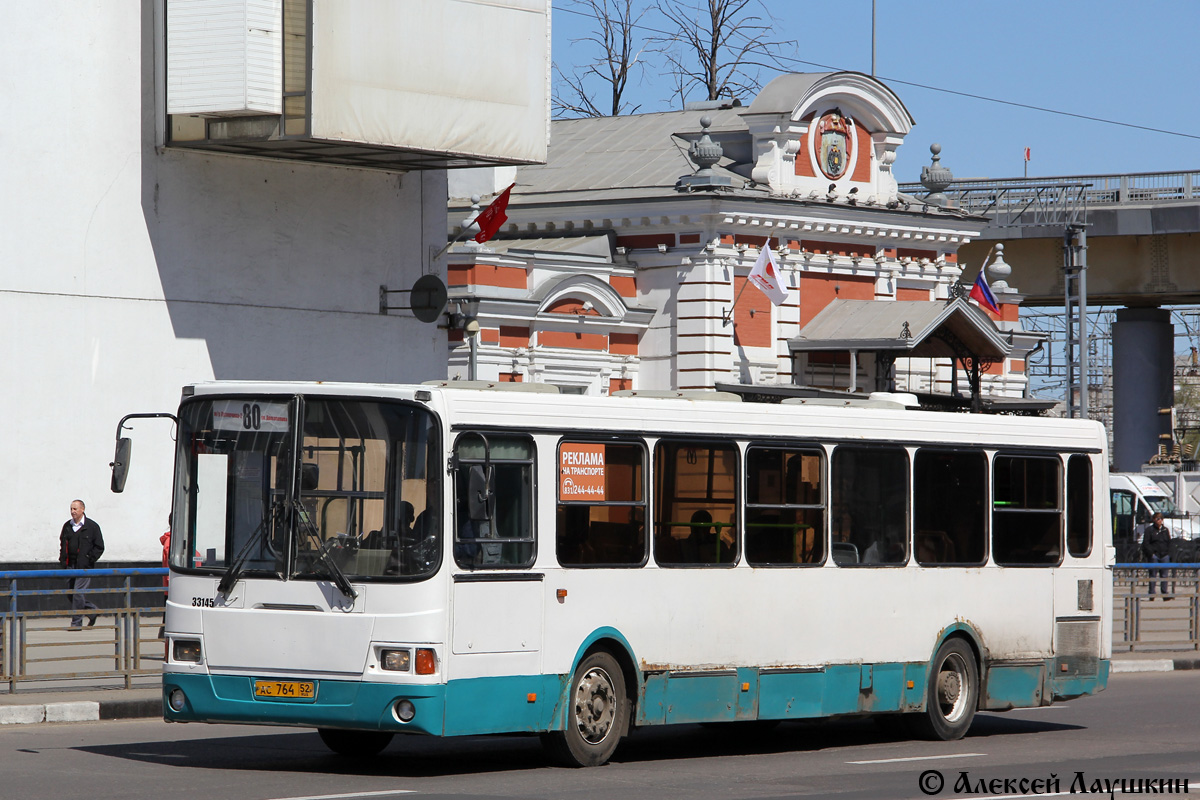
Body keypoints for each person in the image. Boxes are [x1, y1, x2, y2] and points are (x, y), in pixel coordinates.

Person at [59, 499, 104, 630]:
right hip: (70, 566)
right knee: (70, 594)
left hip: (84, 567)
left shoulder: (92, 527)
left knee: (78, 593)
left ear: (82, 509)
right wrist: (62, 560)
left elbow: (99, 546)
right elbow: (63, 545)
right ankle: (92, 610)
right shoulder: (67, 526)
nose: (72, 511)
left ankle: (76, 623)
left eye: (75, 509)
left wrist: (89, 559)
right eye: (71, 509)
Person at [1142, 512, 1173, 598]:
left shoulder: (1165, 530)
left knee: (1164, 575)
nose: (1159, 520)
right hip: (1154, 555)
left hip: (1164, 555)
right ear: (1154, 520)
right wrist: (1151, 553)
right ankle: (1152, 593)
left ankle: (1164, 592)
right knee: (1153, 574)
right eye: (1158, 519)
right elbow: (1146, 543)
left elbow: (1169, 542)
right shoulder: (1149, 530)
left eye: (1161, 519)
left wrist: (1168, 553)